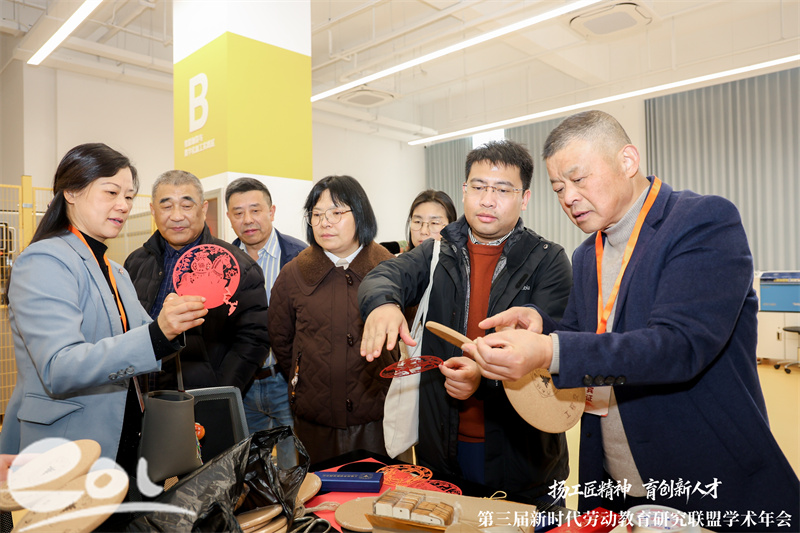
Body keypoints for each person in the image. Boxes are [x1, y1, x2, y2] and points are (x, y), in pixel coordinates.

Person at [467, 111, 800, 531]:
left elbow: (679, 345)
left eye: (578, 179)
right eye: (558, 188)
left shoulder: (701, 222)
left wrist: (551, 349)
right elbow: (587, 337)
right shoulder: (587, 255)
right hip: (615, 479)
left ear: (627, 161)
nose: (569, 197)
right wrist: (541, 326)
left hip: (699, 473)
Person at [359, 140, 573, 502]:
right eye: (478, 187)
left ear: (524, 198)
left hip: (522, 455)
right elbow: (384, 275)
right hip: (443, 449)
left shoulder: (548, 261)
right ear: (464, 191)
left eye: (502, 190)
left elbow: (551, 354)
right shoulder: (437, 251)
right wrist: (383, 304)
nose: (487, 200)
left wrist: (483, 378)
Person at [0, 144, 207, 475]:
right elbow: (59, 366)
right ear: (71, 192)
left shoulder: (116, 270)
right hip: (66, 447)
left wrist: (172, 322)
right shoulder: (44, 261)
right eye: (111, 192)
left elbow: (143, 341)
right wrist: (158, 332)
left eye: (129, 196)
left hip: (124, 440)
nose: (123, 205)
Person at [268, 175, 399, 465]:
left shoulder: (390, 269)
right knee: (318, 491)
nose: (324, 222)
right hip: (315, 422)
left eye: (336, 213)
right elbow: (282, 340)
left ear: (360, 215)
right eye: (316, 214)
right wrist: (304, 375)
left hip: (378, 418)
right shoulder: (293, 274)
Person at [125, 170, 269, 394]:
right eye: (166, 206)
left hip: (200, 398)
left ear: (203, 209)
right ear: (153, 211)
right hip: (141, 392)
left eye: (186, 205)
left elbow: (254, 339)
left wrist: (219, 394)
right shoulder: (135, 262)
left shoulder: (237, 266)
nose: (176, 216)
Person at [225, 177, 306, 468]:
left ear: (271, 212)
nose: (248, 219)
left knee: (292, 465)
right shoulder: (223, 262)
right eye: (238, 212)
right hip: (244, 383)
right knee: (249, 466)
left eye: (256, 210)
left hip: (285, 380)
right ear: (229, 217)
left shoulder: (300, 257)